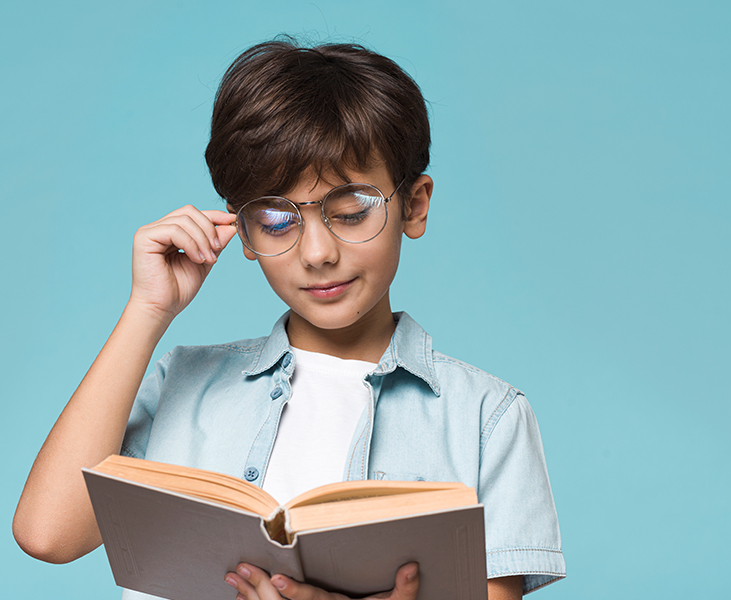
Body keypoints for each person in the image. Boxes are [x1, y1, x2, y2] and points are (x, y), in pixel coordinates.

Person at [13, 39, 566, 600]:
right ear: (245, 230)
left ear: (415, 205)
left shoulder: (487, 418)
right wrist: (149, 310)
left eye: (350, 212)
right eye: (277, 220)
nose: (318, 252)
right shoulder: (182, 382)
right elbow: (48, 535)